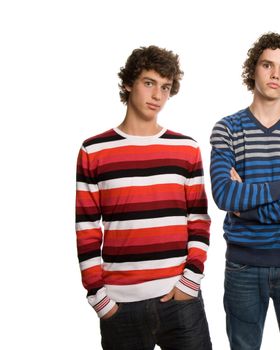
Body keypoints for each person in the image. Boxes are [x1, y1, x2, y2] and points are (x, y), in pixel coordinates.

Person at [75, 45, 212, 350]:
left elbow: (199, 221)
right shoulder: (94, 150)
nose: (157, 96)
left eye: (165, 87)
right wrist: (99, 298)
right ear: (128, 83)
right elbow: (86, 229)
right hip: (120, 307)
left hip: (180, 301)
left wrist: (190, 281)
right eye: (149, 83)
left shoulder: (186, 149)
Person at [209, 32, 280, 350]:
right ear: (253, 69)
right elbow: (224, 195)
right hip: (243, 267)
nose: (275, 74)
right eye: (268, 65)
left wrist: (246, 208)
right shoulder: (227, 128)